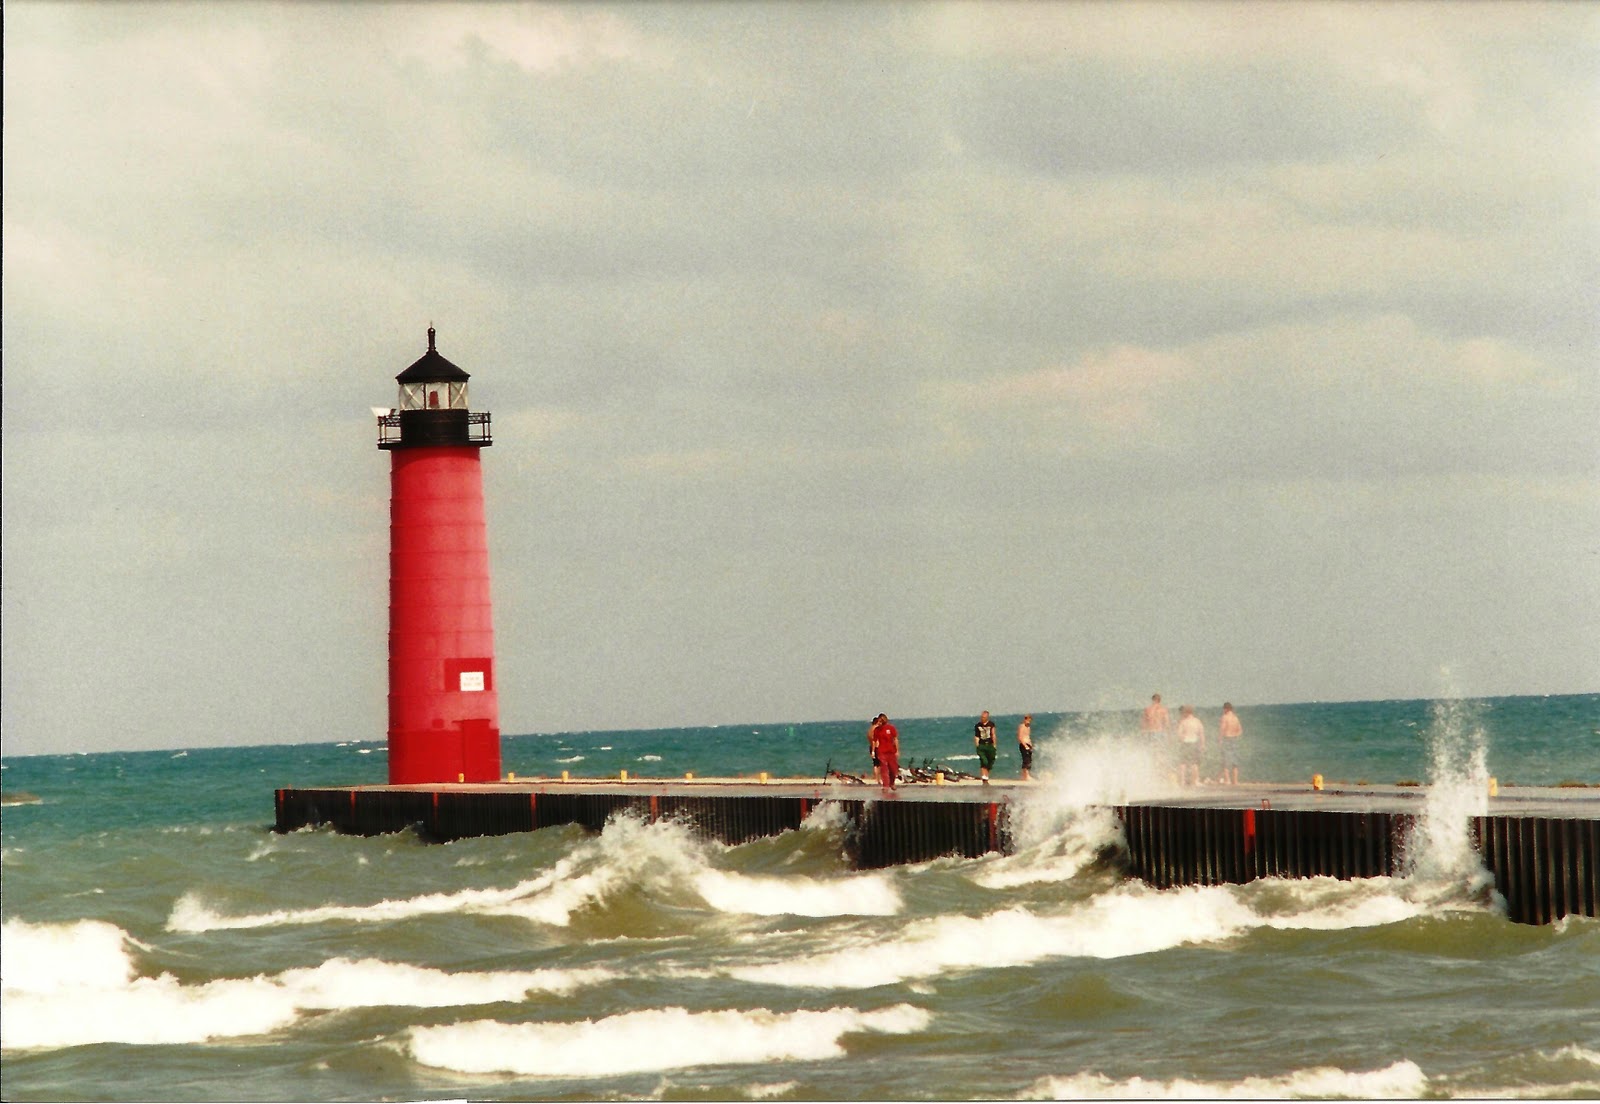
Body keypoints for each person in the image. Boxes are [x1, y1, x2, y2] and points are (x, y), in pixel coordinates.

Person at [1175, 704, 1204, 786]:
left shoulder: (1183, 722)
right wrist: (1202, 744)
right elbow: (1201, 734)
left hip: (1185, 743)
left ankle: (1182, 782)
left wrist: (1182, 739)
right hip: (1194, 743)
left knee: (1182, 763)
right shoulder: (1197, 721)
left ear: (1186, 713)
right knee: (1194, 764)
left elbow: (1179, 734)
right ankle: (1194, 782)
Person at [870, 713, 900, 790]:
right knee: (884, 769)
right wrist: (873, 751)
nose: (879, 723)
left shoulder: (891, 728)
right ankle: (885, 785)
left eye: (881, 721)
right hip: (881, 751)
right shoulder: (877, 730)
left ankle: (892, 783)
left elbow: (895, 739)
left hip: (891, 751)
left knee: (893, 769)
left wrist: (897, 750)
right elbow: (874, 740)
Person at [1218, 702, 1243, 785]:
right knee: (1234, 761)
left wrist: (1220, 739)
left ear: (1225, 709)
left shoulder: (1224, 717)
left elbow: (1222, 729)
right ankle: (1235, 781)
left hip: (1227, 738)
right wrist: (1235, 735)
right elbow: (1240, 730)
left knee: (1225, 760)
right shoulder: (1235, 718)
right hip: (1234, 739)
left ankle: (1227, 780)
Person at [974, 710, 998, 782]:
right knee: (983, 760)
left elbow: (993, 734)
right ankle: (983, 776)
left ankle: (987, 775)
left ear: (987, 717)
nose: (982, 718)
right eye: (982, 717)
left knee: (991, 760)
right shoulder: (978, 725)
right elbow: (976, 736)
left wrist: (994, 744)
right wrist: (977, 745)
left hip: (990, 744)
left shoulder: (991, 724)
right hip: (982, 745)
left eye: (984, 717)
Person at [1017, 714, 1034, 781]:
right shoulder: (1022, 726)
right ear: (1025, 719)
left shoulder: (1028, 727)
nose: (1028, 722)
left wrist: (1031, 744)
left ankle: (1026, 775)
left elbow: (1028, 736)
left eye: (1030, 720)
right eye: (1027, 720)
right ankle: (1026, 775)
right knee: (1026, 760)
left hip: (1028, 744)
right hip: (1023, 744)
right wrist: (1025, 745)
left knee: (1029, 760)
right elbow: (1020, 737)